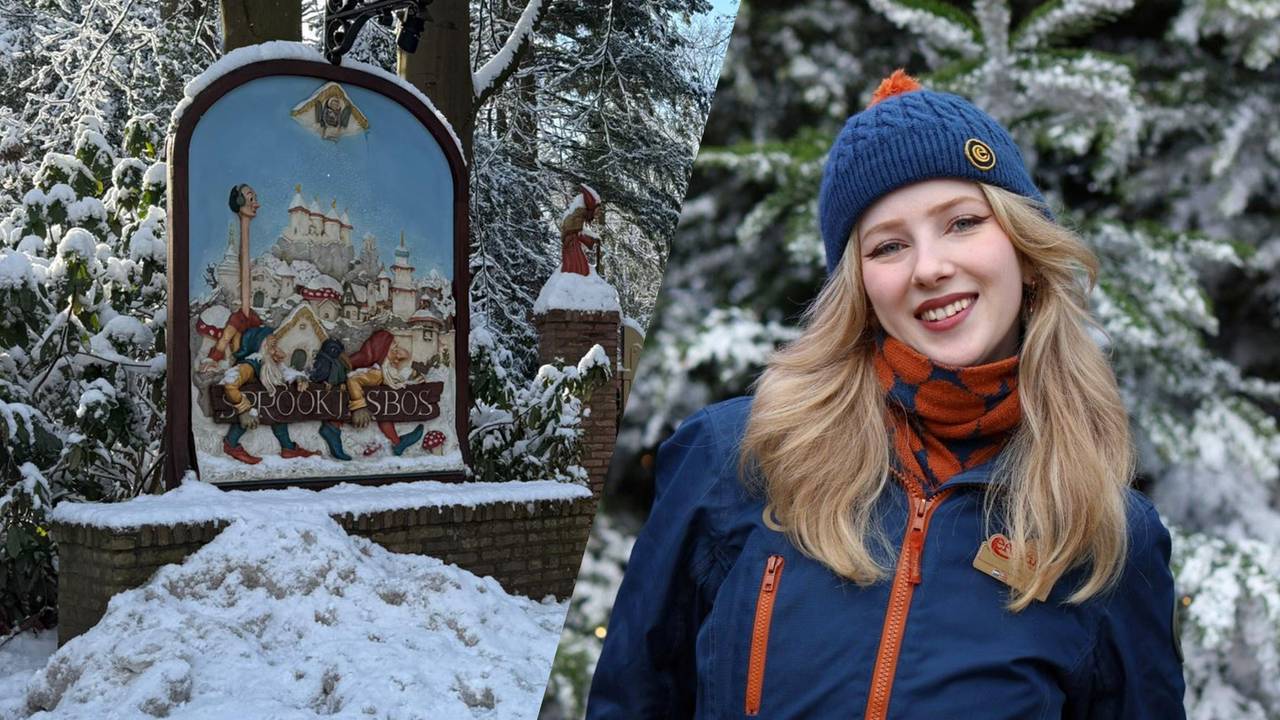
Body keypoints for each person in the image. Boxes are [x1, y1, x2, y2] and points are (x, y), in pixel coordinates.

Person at [586, 70, 1185, 719]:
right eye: (890, 245)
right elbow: (631, 700)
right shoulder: (736, 458)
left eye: (961, 222)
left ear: (1023, 246)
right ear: (860, 283)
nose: (928, 267)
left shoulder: (1104, 533)